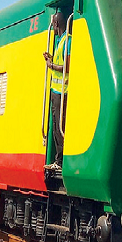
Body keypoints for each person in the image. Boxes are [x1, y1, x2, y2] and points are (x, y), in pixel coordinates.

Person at [43, 11, 71, 172]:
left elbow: (68, 66)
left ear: (57, 24)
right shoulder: (60, 41)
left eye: (53, 24)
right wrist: (52, 59)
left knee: (60, 126)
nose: (52, 26)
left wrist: (50, 65)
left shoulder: (67, 41)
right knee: (56, 126)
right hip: (56, 89)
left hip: (63, 90)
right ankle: (58, 160)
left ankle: (60, 162)